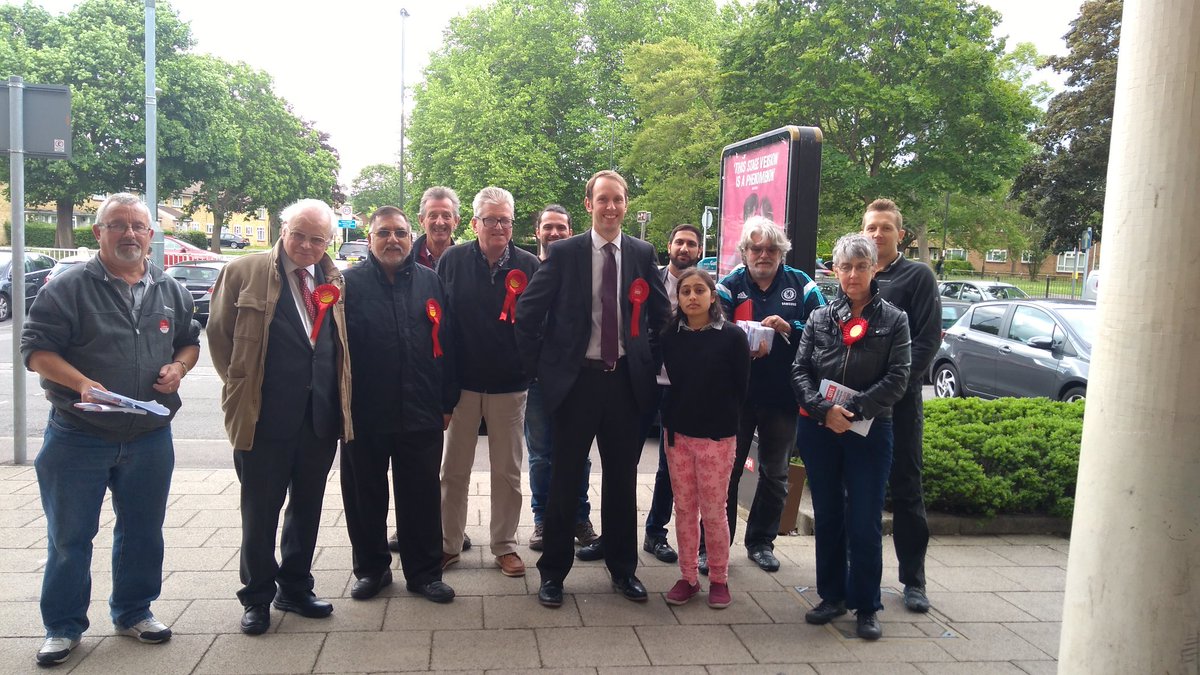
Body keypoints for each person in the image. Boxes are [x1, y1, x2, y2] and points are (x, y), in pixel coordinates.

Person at [23, 193, 200, 667]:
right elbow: (36, 350)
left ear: (150, 234)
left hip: (148, 435)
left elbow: (188, 342)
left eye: (138, 226)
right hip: (77, 434)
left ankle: (134, 611)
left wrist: (179, 368)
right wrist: (79, 383)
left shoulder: (169, 288)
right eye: (117, 225)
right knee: (70, 536)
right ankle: (62, 627)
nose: (129, 234)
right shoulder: (69, 286)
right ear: (98, 232)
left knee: (144, 530)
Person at [515, 169, 670, 607]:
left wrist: (647, 361)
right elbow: (528, 312)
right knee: (565, 482)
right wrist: (542, 369)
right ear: (588, 205)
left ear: (626, 203)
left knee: (622, 484)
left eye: (618, 199)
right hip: (575, 383)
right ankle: (553, 575)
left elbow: (660, 315)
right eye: (602, 199)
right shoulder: (564, 252)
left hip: (625, 384)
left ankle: (623, 571)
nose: (610, 207)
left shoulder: (642, 252)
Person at [208, 198, 353, 635]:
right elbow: (220, 339)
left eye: (318, 238)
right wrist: (243, 387)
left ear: (330, 241)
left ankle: (295, 587)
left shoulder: (333, 278)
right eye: (300, 235)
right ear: (282, 229)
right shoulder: (243, 272)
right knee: (260, 511)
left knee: (306, 509)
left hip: (319, 418)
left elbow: (334, 344)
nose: (307, 245)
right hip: (264, 416)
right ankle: (256, 598)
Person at [791, 232, 912, 640]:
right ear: (836, 270)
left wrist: (855, 410)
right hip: (820, 429)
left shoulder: (895, 320)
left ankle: (866, 604)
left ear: (874, 267)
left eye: (862, 266)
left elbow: (899, 377)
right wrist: (826, 411)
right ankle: (832, 595)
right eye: (846, 266)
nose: (853, 274)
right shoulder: (819, 317)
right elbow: (800, 370)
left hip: (870, 431)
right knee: (828, 516)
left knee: (863, 520)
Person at [340, 206, 458, 604]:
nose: (393, 240)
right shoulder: (346, 284)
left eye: (401, 233)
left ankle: (424, 573)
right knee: (364, 497)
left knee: (421, 498)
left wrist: (447, 401)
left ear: (412, 238)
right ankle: (372, 570)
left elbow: (449, 345)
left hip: (422, 411)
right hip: (364, 414)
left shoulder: (431, 282)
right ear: (370, 239)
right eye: (384, 233)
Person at [438, 187, 541, 577]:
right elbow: (442, 322)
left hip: (510, 386)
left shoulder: (529, 265)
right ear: (475, 223)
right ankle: (448, 543)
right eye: (491, 219)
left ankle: (504, 545)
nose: (499, 227)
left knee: (508, 472)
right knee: (454, 470)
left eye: (505, 220)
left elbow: (538, 325)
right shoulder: (452, 260)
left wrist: (528, 369)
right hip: (462, 384)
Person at [713, 217, 824, 573]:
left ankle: (761, 542)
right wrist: (737, 341)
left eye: (771, 249)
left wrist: (791, 327)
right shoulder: (728, 286)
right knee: (726, 474)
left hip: (783, 396)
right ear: (744, 252)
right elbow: (710, 329)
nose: (763, 255)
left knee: (775, 475)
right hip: (735, 397)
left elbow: (825, 326)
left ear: (781, 252)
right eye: (756, 248)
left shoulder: (803, 285)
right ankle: (715, 546)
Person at [863, 198, 941, 613]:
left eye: (885, 228)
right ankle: (861, 579)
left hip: (899, 406)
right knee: (858, 493)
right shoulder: (854, 272)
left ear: (901, 234)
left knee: (907, 491)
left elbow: (927, 342)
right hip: (858, 407)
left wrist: (888, 390)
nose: (877, 235)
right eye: (871, 228)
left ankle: (914, 581)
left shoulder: (917, 277)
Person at [660, 268, 750, 609]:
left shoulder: (732, 338)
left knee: (713, 510)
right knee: (683, 509)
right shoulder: (670, 336)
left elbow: (741, 389)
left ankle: (718, 578)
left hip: (717, 437)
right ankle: (687, 577)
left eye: (700, 290)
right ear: (679, 299)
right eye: (686, 292)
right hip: (677, 435)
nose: (693, 297)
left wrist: (720, 418)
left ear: (713, 296)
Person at [524, 205, 600, 553]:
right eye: (548, 227)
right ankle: (542, 520)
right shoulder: (525, 268)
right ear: (537, 231)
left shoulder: (581, 270)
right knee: (540, 455)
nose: (554, 233)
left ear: (571, 232)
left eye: (561, 228)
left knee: (577, 455)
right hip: (538, 379)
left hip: (575, 378)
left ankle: (578, 518)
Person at [642, 224, 704, 564]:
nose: (684, 247)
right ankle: (613, 534)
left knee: (670, 467)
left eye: (691, 244)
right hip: (643, 382)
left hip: (681, 389)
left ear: (698, 251)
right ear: (669, 246)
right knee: (623, 460)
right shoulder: (649, 279)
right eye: (679, 241)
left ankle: (656, 533)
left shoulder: (705, 289)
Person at [414, 186, 459, 269]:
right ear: (421, 220)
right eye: (433, 216)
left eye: (446, 216)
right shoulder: (405, 262)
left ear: (456, 221)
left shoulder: (467, 264)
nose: (439, 222)